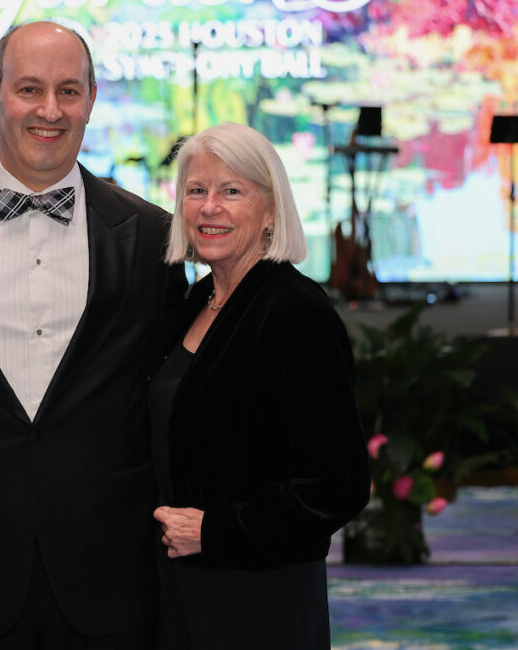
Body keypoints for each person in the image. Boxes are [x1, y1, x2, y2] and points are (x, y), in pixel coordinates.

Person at [0, 21, 187, 648]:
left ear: (92, 98)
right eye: (29, 89)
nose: (50, 111)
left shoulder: (154, 238)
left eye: (68, 91)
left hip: (111, 566)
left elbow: (172, 398)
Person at [150, 122, 371, 649]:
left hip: (260, 600)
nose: (209, 207)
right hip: (181, 593)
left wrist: (216, 532)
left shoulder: (297, 313)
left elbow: (337, 486)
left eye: (232, 191)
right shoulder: (194, 302)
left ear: (271, 209)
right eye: (196, 191)